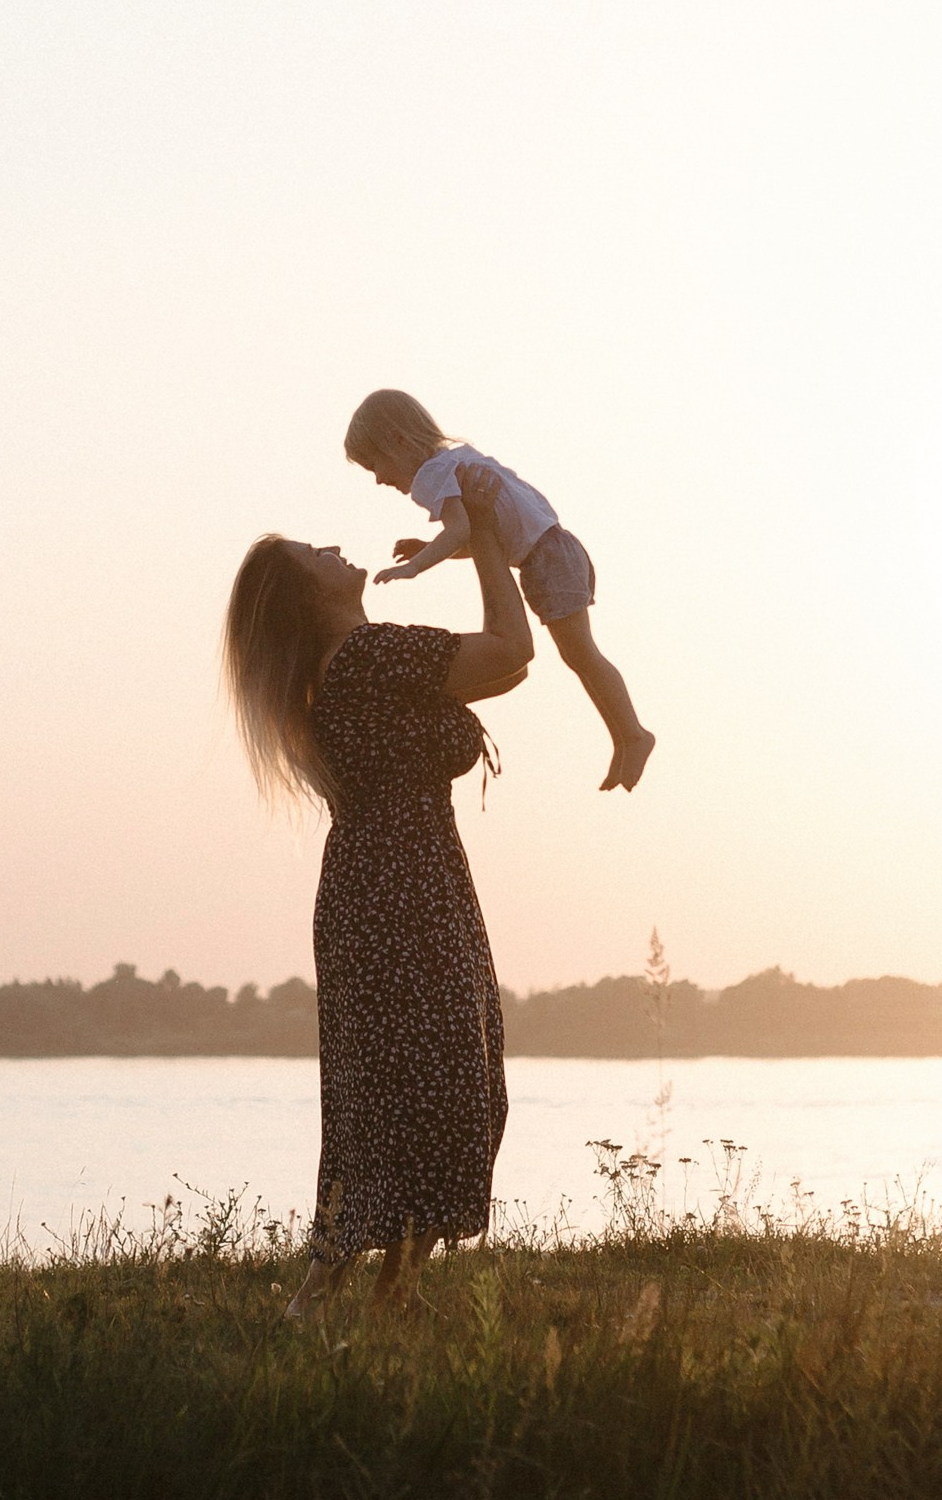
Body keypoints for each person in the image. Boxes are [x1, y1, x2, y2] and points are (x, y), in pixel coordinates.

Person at [225, 462, 532, 1316]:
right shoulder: (366, 656)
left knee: (408, 1092)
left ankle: (380, 1295)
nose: (332, 547)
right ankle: (330, 1297)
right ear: (307, 596)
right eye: (312, 553)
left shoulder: (350, 667)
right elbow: (511, 656)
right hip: (405, 884)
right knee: (435, 1086)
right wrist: (486, 542)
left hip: (393, 878)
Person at [342, 386, 655, 791]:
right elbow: (476, 534)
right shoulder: (456, 459)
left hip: (545, 558)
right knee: (579, 656)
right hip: (557, 548)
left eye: (376, 466)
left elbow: (458, 531)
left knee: (582, 655)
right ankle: (624, 736)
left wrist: (418, 566)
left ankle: (632, 734)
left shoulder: (431, 476)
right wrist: (429, 547)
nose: (381, 480)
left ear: (398, 441)